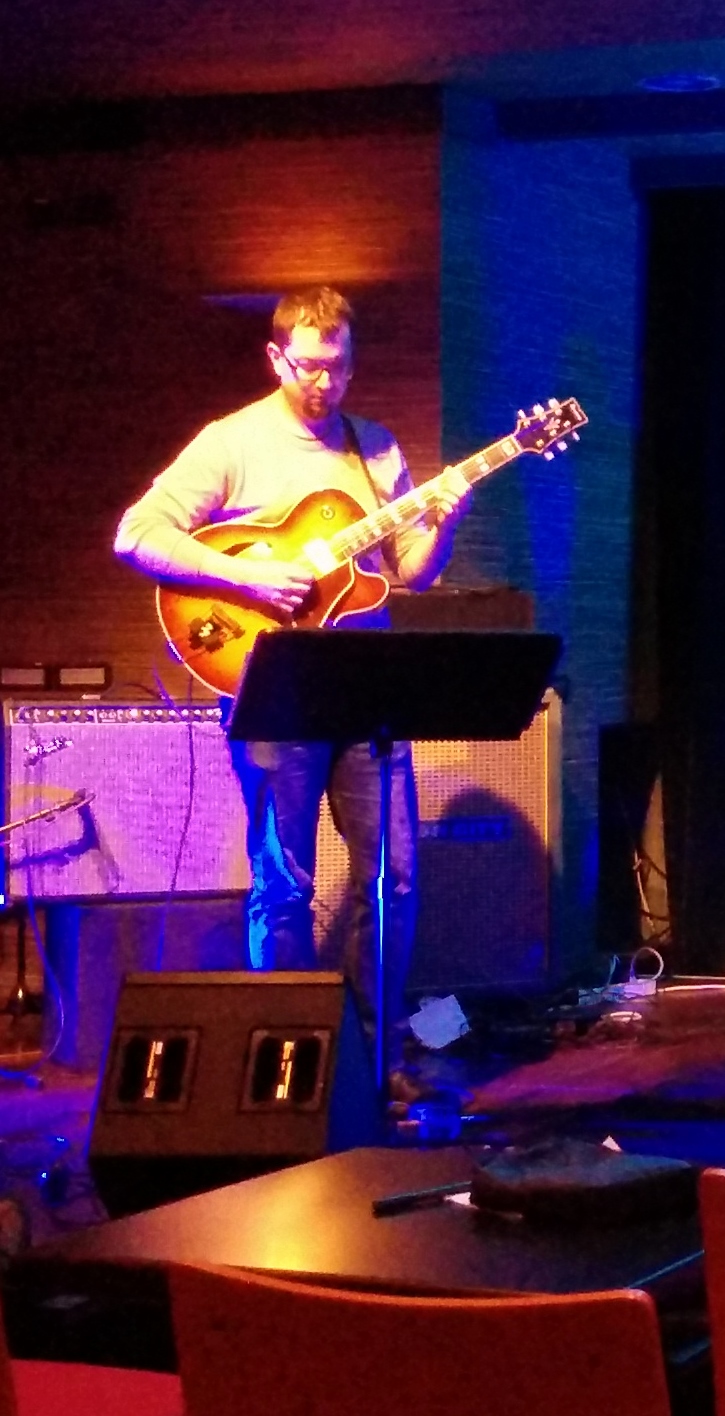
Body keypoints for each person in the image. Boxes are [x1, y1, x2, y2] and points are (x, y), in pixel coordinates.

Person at [115, 286, 471, 1075]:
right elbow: (136, 535)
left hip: (366, 692)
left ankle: (375, 1063)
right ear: (276, 358)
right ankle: (285, 1065)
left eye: (338, 367)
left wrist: (446, 515)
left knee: (395, 879)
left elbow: (409, 570)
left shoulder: (374, 446)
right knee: (285, 885)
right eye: (309, 366)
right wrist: (246, 579)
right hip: (275, 690)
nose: (324, 382)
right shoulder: (231, 442)